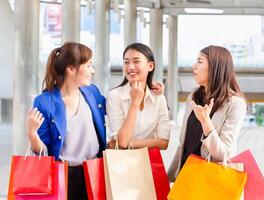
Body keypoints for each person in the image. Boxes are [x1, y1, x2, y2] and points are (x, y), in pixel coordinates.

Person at [26, 42, 106, 199]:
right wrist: (32, 134)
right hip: (63, 175)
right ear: (71, 69)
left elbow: (118, 107)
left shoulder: (92, 92)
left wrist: (150, 88)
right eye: (89, 66)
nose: (93, 71)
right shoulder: (44, 102)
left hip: (95, 171)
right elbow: (44, 153)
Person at [168, 45, 247, 181]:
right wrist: (169, 178)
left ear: (215, 67)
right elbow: (183, 145)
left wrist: (206, 123)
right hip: (186, 179)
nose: (194, 66)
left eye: (199, 61)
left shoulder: (235, 103)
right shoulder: (193, 97)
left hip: (210, 183)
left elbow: (224, 155)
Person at [106, 43, 171, 149]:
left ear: (150, 66)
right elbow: (122, 142)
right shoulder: (115, 96)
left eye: (136, 61)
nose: (130, 67)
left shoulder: (159, 97)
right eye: (126, 62)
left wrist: (129, 144)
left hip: (149, 163)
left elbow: (163, 143)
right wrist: (134, 104)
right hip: (120, 163)